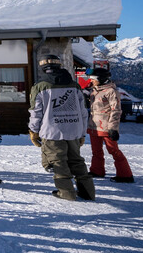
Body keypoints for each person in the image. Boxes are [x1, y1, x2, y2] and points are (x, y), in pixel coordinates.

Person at [28, 54, 95, 201]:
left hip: (52, 131)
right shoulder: (74, 85)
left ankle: (66, 193)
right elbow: (84, 112)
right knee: (76, 160)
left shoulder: (40, 87)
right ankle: (88, 192)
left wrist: (33, 131)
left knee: (58, 162)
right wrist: (82, 133)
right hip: (74, 130)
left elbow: (36, 113)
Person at [86, 68, 135, 183]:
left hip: (106, 127)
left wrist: (113, 128)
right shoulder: (94, 91)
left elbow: (116, 110)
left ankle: (125, 174)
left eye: (93, 79)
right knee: (96, 151)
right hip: (94, 126)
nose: (91, 81)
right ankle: (97, 170)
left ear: (101, 79)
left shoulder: (111, 91)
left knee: (113, 150)